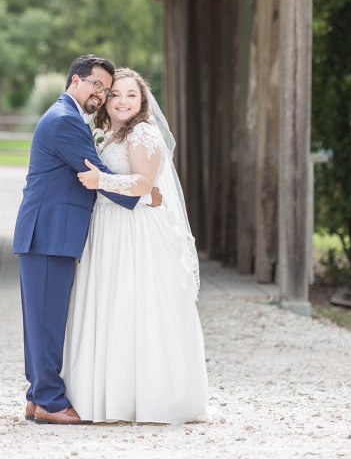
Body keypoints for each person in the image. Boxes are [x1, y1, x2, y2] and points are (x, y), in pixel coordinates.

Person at [12, 54, 162, 426]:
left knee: (41, 319)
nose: (101, 94)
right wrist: (143, 192)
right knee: (46, 321)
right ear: (75, 81)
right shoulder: (65, 121)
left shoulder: (66, 116)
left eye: (106, 90)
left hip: (47, 231)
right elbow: (95, 173)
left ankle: (37, 397)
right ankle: (48, 400)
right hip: (49, 233)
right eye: (97, 85)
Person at [62, 67, 208, 424]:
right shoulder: (108, 136)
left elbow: (144, 185)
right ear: (105, 101)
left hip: (135, 232)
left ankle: (147, 398)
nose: (122, 101)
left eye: (131, 95)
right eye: (115, 94)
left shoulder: (143, 133)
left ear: (143, 101)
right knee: (109, 307)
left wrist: (102, 180)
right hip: (109, 227)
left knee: (135, 306)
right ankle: (107, 395)